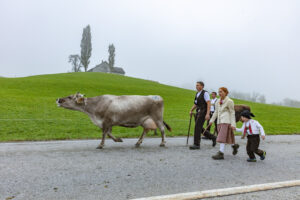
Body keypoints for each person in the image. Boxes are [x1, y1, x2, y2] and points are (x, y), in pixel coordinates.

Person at [209, 87, 239, 159]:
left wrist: (233, 124)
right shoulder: (217, 101)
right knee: (227, 136)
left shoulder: (229, 101)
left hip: (226, 121)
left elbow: (232, 113)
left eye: (221, 92)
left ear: (226, 92)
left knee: (221, 137)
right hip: (219, 122)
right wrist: (211, 120)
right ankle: (234, 146)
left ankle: (221, 153)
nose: (220, 93)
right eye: (219, 92)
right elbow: (216, 112)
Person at [189, 81, 217, 150]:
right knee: (200, 128)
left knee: (197, 127)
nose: (196, 86)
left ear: (202, 86)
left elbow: (208, 103)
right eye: (196, 85)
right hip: (198, 112)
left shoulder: (205, 93)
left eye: (198, 85)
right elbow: (195, 104)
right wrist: (191, 110)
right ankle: (213, 137)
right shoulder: (197, 94)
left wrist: (208, 114)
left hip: (204, 112)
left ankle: (196, 144)